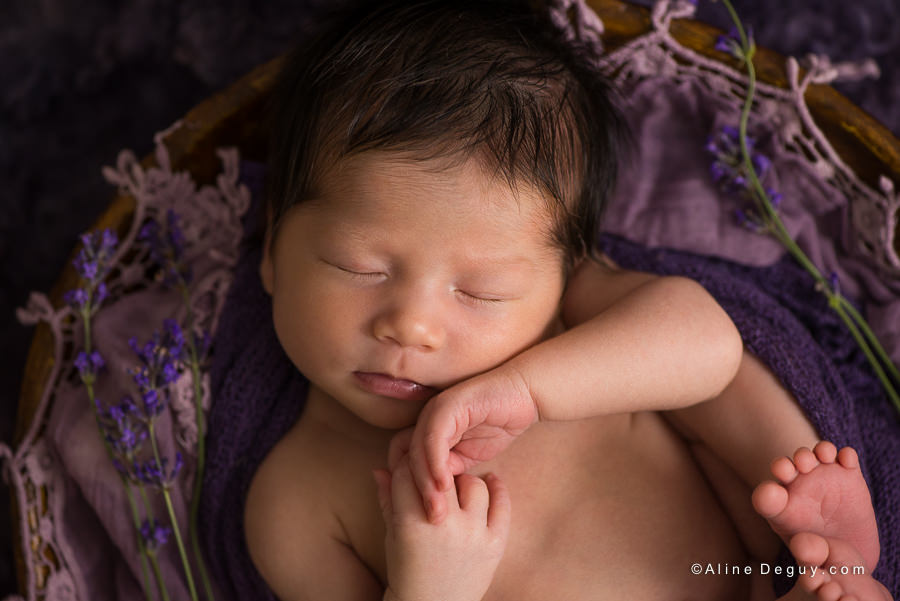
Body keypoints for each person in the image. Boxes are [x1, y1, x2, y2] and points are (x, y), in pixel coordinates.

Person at [242, 0, 891, 599]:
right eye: (357, 267)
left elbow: (712, 344)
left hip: (746, 570)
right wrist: (430, 584)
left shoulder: (566, 315)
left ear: (563, 270)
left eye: (480, 290)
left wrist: (531, 389)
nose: (411, 326)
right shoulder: (294, 502)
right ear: (273, 246)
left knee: (714, 381)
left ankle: (812, 516)